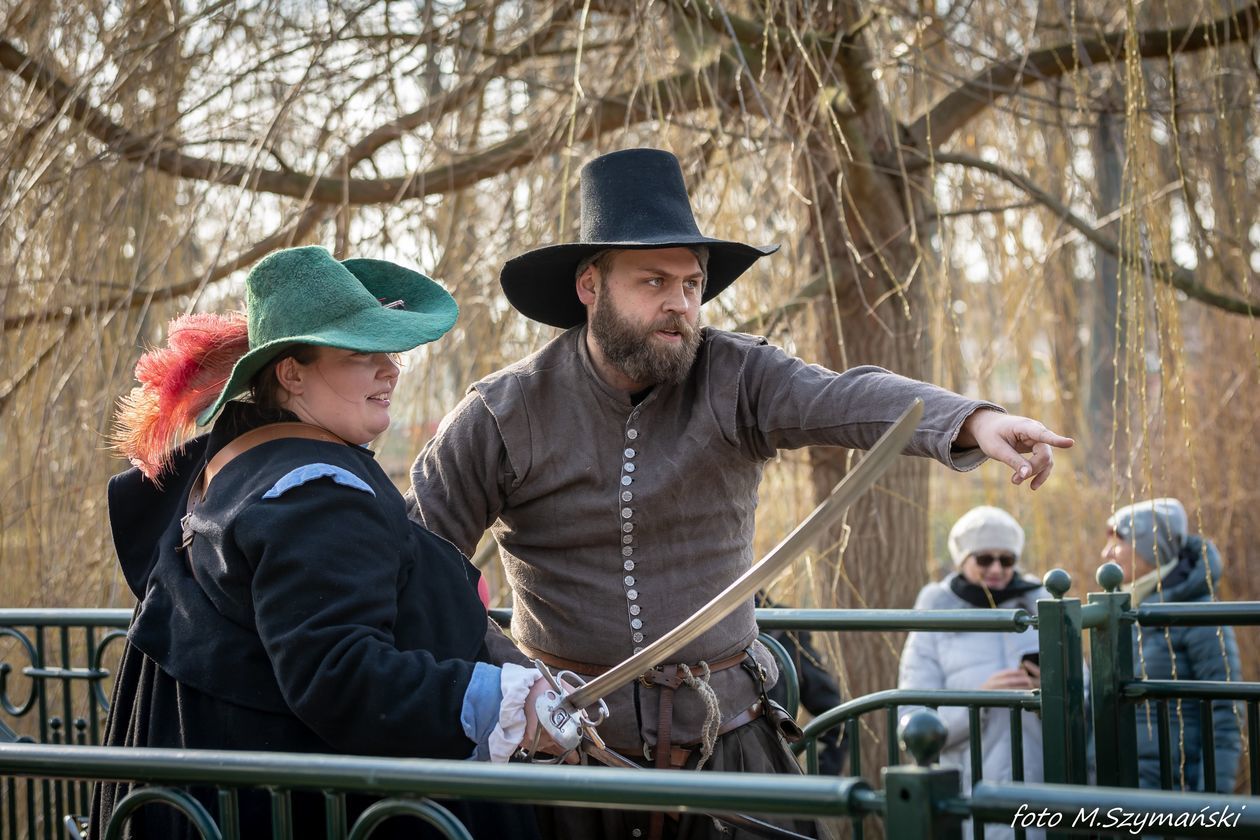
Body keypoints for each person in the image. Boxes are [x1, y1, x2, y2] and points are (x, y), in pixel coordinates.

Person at [407, 147, 1073, 840]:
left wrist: (972, 420)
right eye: (653, 281)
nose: (680, 303)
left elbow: (843, 397)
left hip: (731, 748)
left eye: (692, 283)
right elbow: (418, 567)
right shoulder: (502, 414)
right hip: (567, 759)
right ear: (590, 285)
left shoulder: (735, 376)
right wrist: (515, 677)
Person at [89, 247, 548, 840]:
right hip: (287, 808)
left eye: (388, 352)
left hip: (211, 800)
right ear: (291, 374)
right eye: (361, 355)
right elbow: (340, 674)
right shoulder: (313, 494)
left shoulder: (234, 464)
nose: (391, 370)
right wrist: (502, 697)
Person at [898, 506, 1048, 840]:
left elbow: (1084, 703)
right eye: (984, 559)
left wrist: (1051, 692)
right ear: (962, 559)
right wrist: (976, 702)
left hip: (1043, 794)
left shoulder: (1043, 610)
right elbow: (911, 722)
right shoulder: (932, 620)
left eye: (1006, 560)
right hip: (969, 798)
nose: (996, 569)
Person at [1102, 497, 1242, 793]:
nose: (1105, 554)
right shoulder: (1122, 609)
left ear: (1147, 548)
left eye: (1116, 543)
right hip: (1116, 786)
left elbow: (1226, 716)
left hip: (1171, 790)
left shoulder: (1199, 614)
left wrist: (1211, 807)